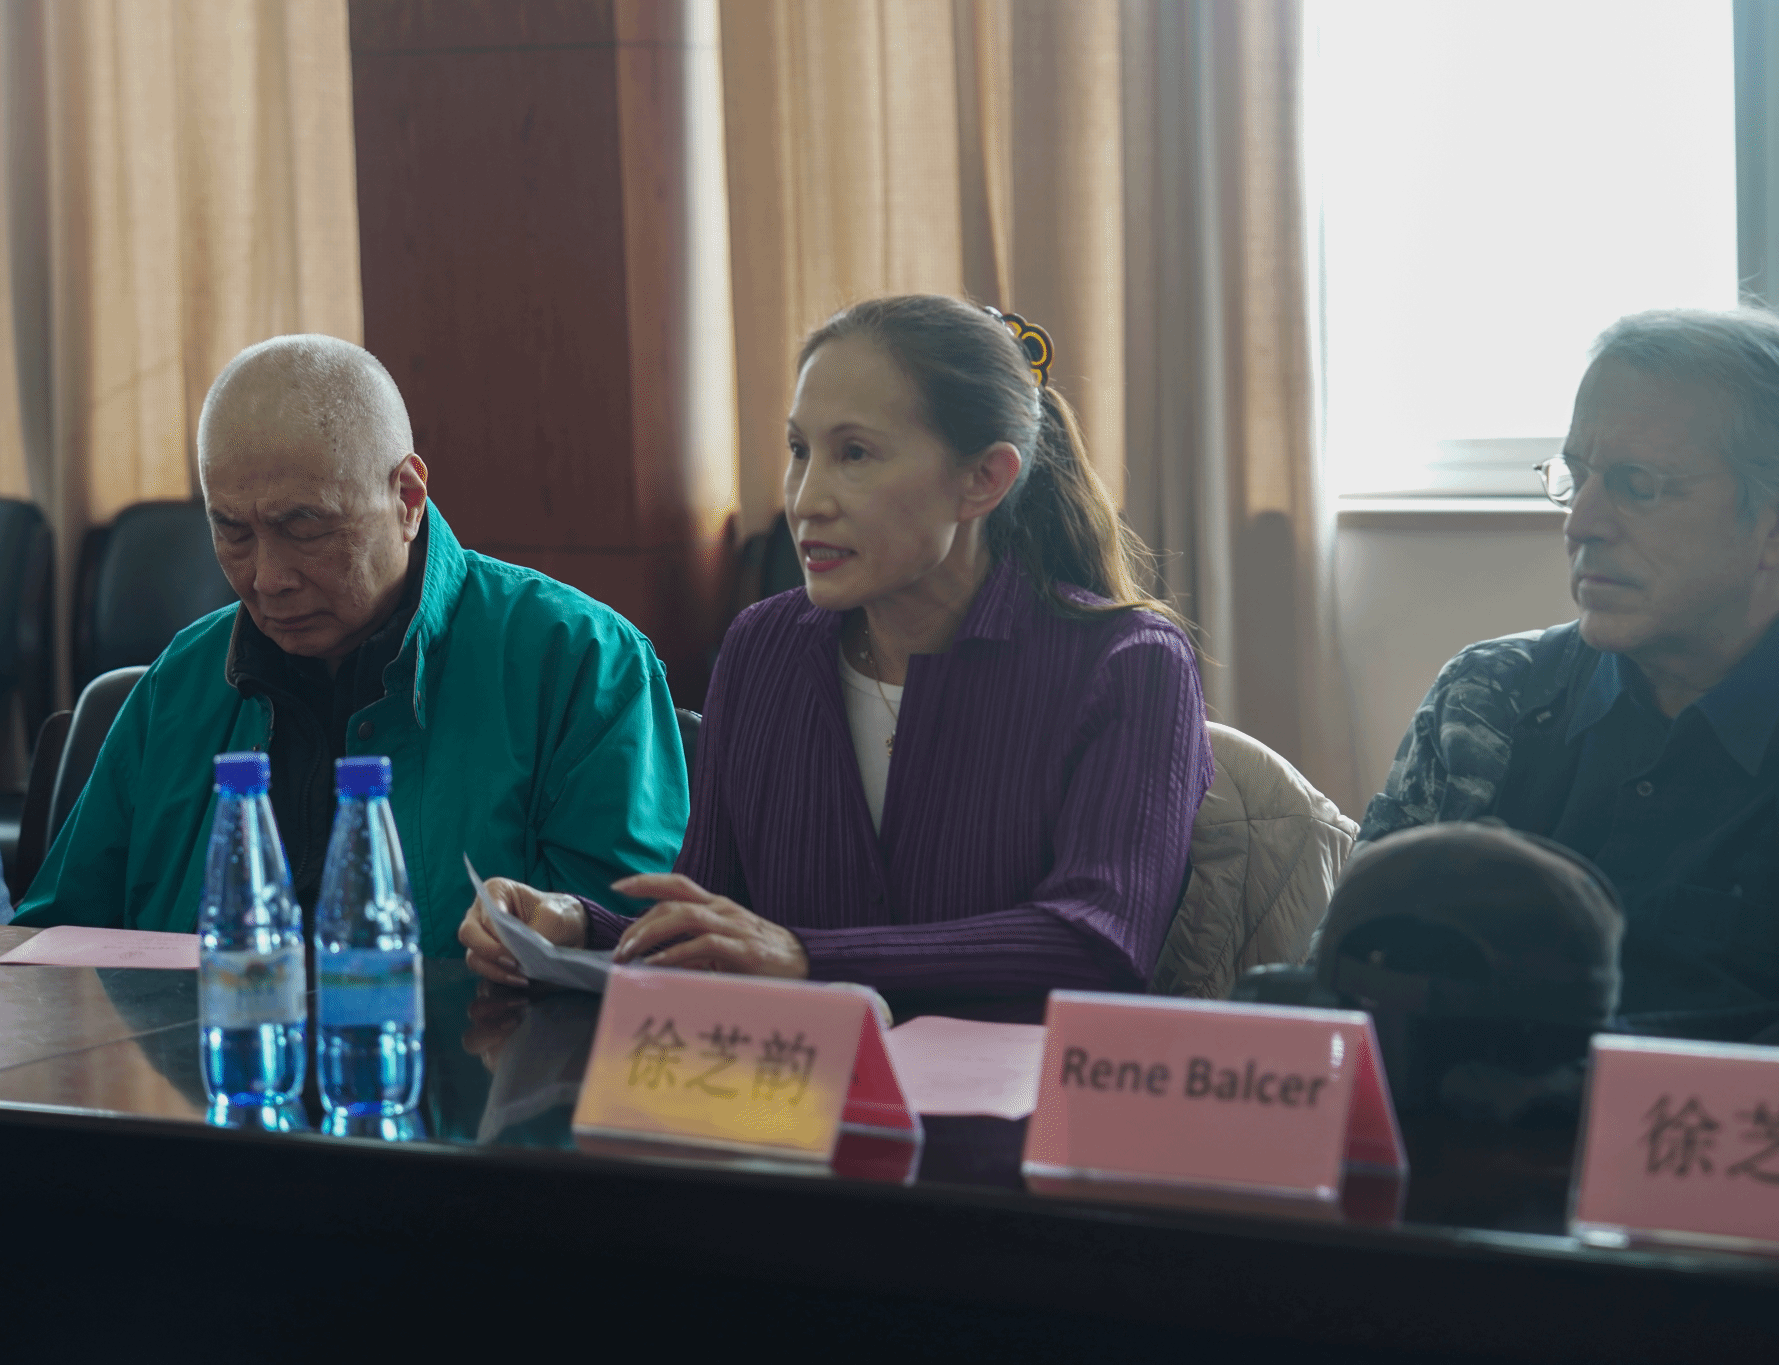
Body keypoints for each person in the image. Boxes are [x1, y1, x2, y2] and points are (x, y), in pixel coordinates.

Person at [460, 296, 1212, 1015]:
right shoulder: (762, 649)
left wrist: (807, 958)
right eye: (799, 450)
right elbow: (715, 921)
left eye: (854, 453)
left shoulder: (1131, 664)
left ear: (983, 479)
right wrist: (575, 927)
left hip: (1021, 1099)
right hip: (795, 1092)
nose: (806, 498)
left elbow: (1097, 940)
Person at [1350, 308, 1779, 1052]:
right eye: (1577, 477)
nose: (1581, 523)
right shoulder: (1486, 701)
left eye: (1638, 486)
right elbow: (1351, 997)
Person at [11, 335, 689, 955]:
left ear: (407, 499)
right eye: (233, 531)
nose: (266, 579)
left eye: (304, 527)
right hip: (207, 1051)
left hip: (479, 1055)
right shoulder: (180, 686)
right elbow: (48, 952)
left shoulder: (579, 663)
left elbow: (638, 951)